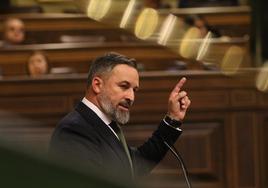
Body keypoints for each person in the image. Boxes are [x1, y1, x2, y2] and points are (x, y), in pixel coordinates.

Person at [49, 52, 191, 180]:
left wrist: (173, 119)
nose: (131, 97)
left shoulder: (104, 123)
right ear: (97, 85)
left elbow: (133, 166)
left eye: (134, 90)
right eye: (124, 86)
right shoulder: (75, 130)